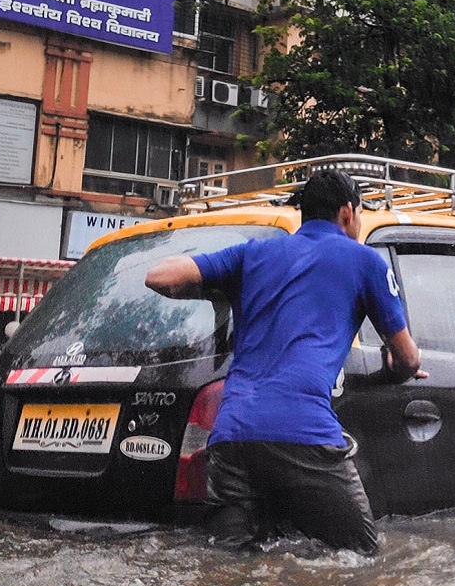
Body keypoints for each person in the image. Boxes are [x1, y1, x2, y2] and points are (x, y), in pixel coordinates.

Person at [145, 170, 424, 555]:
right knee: (361, 557)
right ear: (348, 212)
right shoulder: (366, 262)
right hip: (305, 433)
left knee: (227, 563)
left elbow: (159, 276)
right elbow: (407, 357)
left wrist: (217, 288)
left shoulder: (252, 253)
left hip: (232, 437)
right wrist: (397, 368)